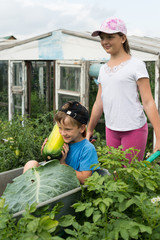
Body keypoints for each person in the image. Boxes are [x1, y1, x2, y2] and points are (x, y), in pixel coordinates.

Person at [86, 17, 160, 162]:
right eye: (102, 38)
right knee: (115, 175)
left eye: (110, 37)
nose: (105, 42)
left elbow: (148, 102)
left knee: (129, 176)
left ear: (123, 38)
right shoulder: (103, 69)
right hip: (111, 129)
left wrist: (159, 136)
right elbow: (98, 103)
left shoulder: (136, 65)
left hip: (134, 129)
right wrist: (89, 129)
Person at [23, 101, 99, 184]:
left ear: (81, 128)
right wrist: (47, 155)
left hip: (67, 186)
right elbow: (52, 167)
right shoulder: (61, 141)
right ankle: (25, 191)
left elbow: (85, 179)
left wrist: (63, 164)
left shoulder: (87, 149)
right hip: (53, 181)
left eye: (68, 129)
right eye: (59, 128)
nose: (62, 133)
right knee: (31, 164)